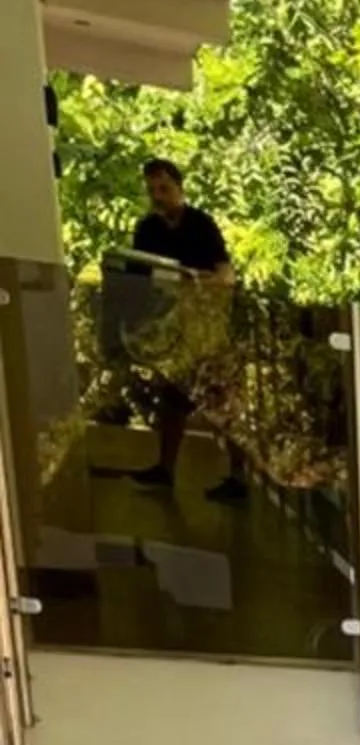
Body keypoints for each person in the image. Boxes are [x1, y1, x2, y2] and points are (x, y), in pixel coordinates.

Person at [128, 160, 247, 501]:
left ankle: (238, 477)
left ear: (179, 188)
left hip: (209, 326)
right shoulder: (147, 229)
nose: (158, 196)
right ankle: (165, 469)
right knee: (173, 400)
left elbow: (226, 275)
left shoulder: (201, 225)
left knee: (224, 402)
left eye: (164, 188)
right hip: (172, 326)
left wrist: (196, 282)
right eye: (152, 190)